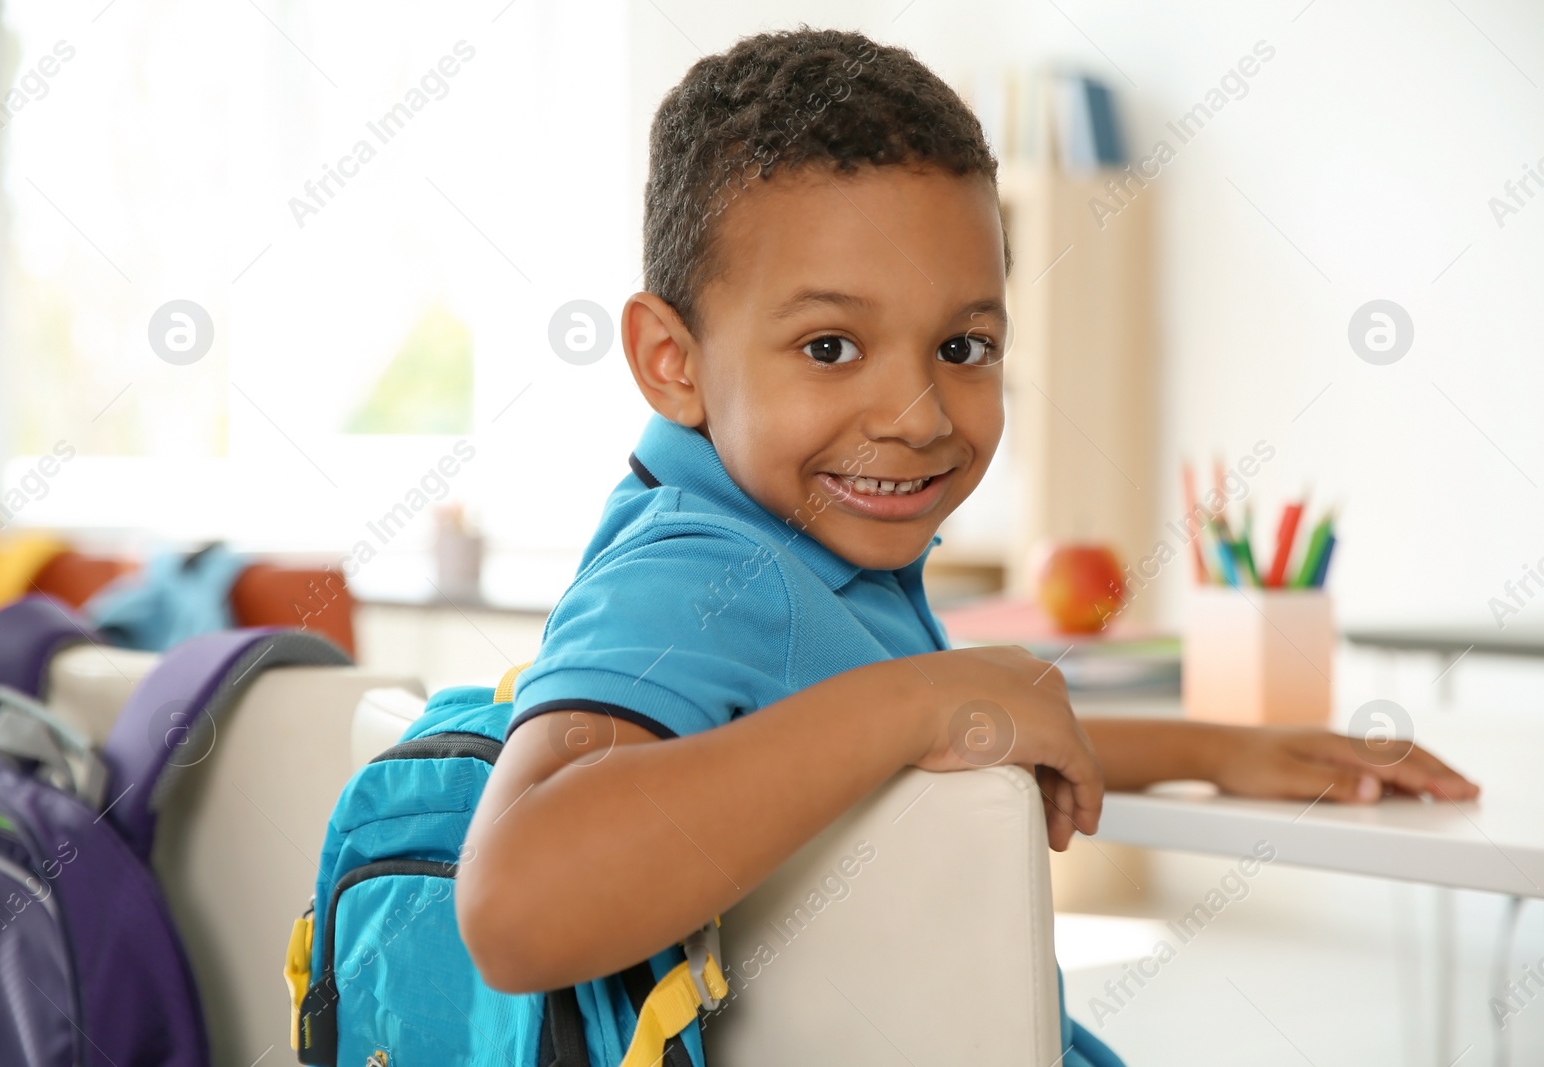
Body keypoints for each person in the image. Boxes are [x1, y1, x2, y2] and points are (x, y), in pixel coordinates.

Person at [457, 27, 1478, 1066]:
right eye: (829, 346)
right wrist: (917, 698)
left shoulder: (805, 553)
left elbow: (950, 740)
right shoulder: (696, 570)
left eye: (962, 347)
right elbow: (514, 905)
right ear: (671, 361)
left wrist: (1213, 749)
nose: (915, 414)